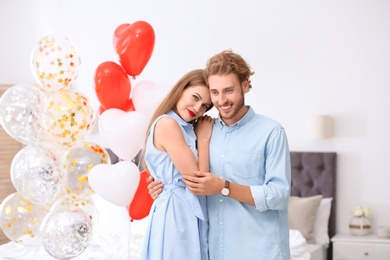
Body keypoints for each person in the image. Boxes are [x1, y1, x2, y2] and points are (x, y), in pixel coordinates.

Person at [148, 50, 292, 260]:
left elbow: (279, 195)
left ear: (245, 85)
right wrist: (161, 186)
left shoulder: (271, 132)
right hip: (214, 250)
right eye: (214, 93)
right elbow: (183, 172)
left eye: (228, 90)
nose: (221, 100)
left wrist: (224, 188)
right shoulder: (202, 131)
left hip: (260, 251)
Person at [140, 69, 214, 260]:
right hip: (176, 212)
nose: (197, 108)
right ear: (181, 89)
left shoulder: (187, 127)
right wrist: (204, 139)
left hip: (183, 207)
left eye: (205, 106)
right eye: (195, 97)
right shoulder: (168, 124)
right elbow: (198, 180)